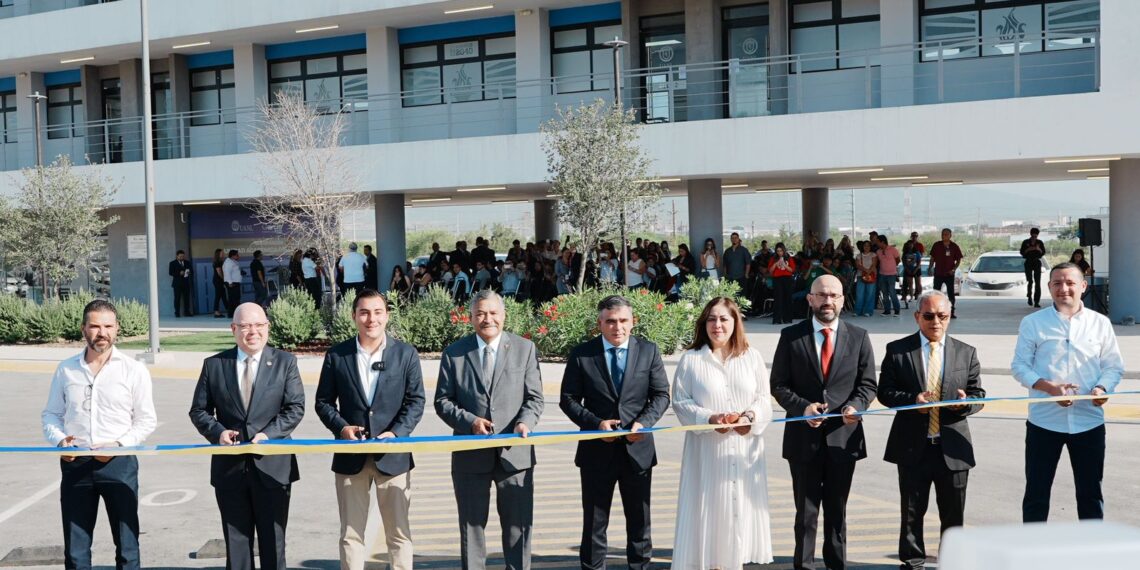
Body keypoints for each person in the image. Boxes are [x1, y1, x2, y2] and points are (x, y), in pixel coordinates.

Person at [770, 275, 877, 570]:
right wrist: (803, 408)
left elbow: (868, 385)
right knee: (805, 514)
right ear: (810, 299)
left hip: (844, 437)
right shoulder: (791, 337)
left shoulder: (859, 336)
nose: (827, 301)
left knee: (837, 511)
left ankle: (836, 565)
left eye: (833, 295)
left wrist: (856, 405)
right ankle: (803, 565)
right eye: (821, 295)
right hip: (803, 440)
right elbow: (778, 385)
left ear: (842, 300)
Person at [189, 302, 306, 570]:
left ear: (267, 327)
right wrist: (218, 433)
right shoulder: (214, 365)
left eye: (258, 325)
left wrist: (269, 434)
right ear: (233, 329)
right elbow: (199, 410)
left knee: (273, 542)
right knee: (237, 543)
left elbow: (295, 408)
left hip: (273, 469)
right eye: (244, 326)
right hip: (230, 470)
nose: (252, 331)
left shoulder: (285, 363)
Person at [42, 300, 157, 570]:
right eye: (94, 326)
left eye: (107, 326)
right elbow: (50, 414)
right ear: (83, 329)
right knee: (76, 549)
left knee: (127, 546)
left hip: (119, 464)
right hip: (76, 465)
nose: (101, 332)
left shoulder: (133, 370)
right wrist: (60, 440)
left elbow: (146, 419)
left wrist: (118, 445)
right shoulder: (66, 369)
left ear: (117, 329)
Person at [314, 290, 424, 570]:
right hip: (351, 458)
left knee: (399, 534)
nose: (370, 319)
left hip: (393, 457)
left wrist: (397, 433)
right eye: (364, 312)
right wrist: (342, 429)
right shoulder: (337, 356)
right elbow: (323, 402)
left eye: (377, 312)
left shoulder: (405, 354)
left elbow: (416, 401)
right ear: (354, 316)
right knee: (351, 535)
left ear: (386, 315)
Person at [434, 290, 544, 570]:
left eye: (493, 313)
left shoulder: (524, 349)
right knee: (471, 529)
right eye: (480, 313)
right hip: (470, 455)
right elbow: (443, 401)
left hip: (515, 456)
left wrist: (525, 422)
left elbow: (534, 398)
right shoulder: (455, 353)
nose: (487, 319)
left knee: (518, 527)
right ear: (470, 318)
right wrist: (470, 421)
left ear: (504, 315)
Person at [559, 295, 671, 570]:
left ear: (633, 322)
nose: (617, 327)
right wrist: (596, 424)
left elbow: (660, 395)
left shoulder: (649, 351)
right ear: (600, 323)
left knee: (639, 522)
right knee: (595, 523)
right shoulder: (583, 354)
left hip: (638, 450)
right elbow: (568, 398)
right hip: (597, 450)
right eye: (610, 321)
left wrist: (643, 423)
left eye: (623, 320)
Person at [878, 290, 986, 569]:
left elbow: (978, 395)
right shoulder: (898, 350)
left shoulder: (966, 352)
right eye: (928, 316)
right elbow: (885, 393)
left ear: (949, 318)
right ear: (917, 317)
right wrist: (912, 401)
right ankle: (913, 561)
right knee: (912, 511)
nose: (935, 322)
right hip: (914, 445)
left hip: (953, 447)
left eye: (942, 316)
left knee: (953, 514)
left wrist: (965, 404)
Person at [1011, 262, 1124, 523]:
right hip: (1044, 422)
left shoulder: (1100, 323)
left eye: (1070, 283)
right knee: (1037, 493)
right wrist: (1048, 387)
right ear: (1049, 287)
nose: (1064, 289)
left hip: (1088, 422)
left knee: (1090, 494)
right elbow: (1019, 366)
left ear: (1083, 286)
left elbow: (1113, 366)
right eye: (1057, 283)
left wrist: (1102, 388)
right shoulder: (1033, 323)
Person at [671, 296, 773, 568]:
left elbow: (764, 398)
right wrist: (711, 418)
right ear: (704, 323)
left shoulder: (751, 357)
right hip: (707, 452)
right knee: (710, 511)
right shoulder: (691, 360)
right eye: (712, 319)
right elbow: (680, 402)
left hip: (744, 450)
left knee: (741, 511)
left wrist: (749, 418)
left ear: (735, 322)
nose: (718, 325)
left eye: (724, 319)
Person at [928, 229, 963, 318]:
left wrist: (954, 269)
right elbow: (932, 258)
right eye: (943, 234)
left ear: (950, 235)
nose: (944, 236)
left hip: (949, 274)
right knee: (936, 293)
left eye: (946, 234)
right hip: (938, 273)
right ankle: (935, 311)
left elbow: (958, 260)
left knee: (951, 294)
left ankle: (951, 311)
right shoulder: (936, 245)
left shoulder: (954, 246)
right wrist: (930, 267)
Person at [768, 242, 796, 324]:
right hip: (777, 279)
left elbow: (792, 270)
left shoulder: (789, 258)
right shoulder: (773, 259)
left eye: (781, 251)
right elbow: (770, 271)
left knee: (787, 298)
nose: (779, 252)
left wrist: (784, 264)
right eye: (777, 251)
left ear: (784, 250)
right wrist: (776, 264)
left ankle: (787, 318)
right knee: (778, 299)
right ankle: (777, 319)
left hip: (787, 279)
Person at [1020, 227, 1047, 308]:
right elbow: (1022, 253)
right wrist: (1028, 249)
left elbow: (1043, 253)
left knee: (1037, 283)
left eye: (1036, 235)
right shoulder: (1025, 242)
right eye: (1033, 235)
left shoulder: (1039, 242)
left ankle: (1036, 301)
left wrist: (1038, 249)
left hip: (1036, 262)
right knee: (1030, 281)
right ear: (1031, 234)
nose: (1034, 237)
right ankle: (1029, 296)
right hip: (1028, 262)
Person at [876, 236, 902, 316]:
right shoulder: (878, 251)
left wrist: (892, 267)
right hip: (882, 274)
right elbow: (878, 262)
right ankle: (887, 311)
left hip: (891, 275)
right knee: (884, 293)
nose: (877, 243)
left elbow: (898, 260)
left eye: (878, 242)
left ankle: (897, 310)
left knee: (892, 292)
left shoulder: (893, 250)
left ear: (883, 242)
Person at [854, 240, 878, 317]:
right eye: (865, 245)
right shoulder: (858, 255)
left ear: (870, 247)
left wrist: (869, 271)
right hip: (860, 276)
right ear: (862, 247)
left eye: (868, 245)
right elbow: (858, 265)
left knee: (870, 294)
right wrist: (866, 270)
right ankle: (858, 311)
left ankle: (868, 311)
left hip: (871, 276)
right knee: (859, 294)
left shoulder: (873, 254)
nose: (866, 247)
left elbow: (874, 264)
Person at [169, 249, 193, 317]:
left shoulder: (187, 262)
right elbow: (170, 272)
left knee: (187, 298)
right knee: (177, 298)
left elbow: (191, 270)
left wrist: (188, 272)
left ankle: (187, 312)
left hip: (186, 283)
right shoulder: (172, 263)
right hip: (177, 284)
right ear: (177, 256)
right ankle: (177, 312)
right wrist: (179, 273)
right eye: (180, 256)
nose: (182, 258)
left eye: (183, 256)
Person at [901, 241, 922, 309]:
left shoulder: (917, 252)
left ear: (913, 245)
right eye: (908, 245)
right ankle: (911, 297)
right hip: (908, 270)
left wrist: (915, 270)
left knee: (918, 283)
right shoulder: (905, 253)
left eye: (911, 244)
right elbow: (904, 263)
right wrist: (907, 269)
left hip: (917, 269)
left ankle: (920, 296)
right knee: (910, 284)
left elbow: (919, 262)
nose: (910, 246)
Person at [222, 249, 243, 318]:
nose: (238, 256)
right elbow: (227, 273)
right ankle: (231, 314)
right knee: (233, 299)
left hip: (235, 282)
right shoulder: (228, 262)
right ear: (233, 256)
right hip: (231, 283)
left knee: (236, 298)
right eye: (237, 255)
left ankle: (235, 313)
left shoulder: (234, 262)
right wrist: (230, 282)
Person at [213, 248, 227, 318]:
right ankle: (216, 312)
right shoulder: (217, 262)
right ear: (218, 254)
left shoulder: (221, 261)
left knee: (223, 296)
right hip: (218, 281)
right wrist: (224, 280)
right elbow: (219, 272)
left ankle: (229, 310)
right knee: (218, 296)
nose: (223, 254)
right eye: (222, 253)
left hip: (220, 281)